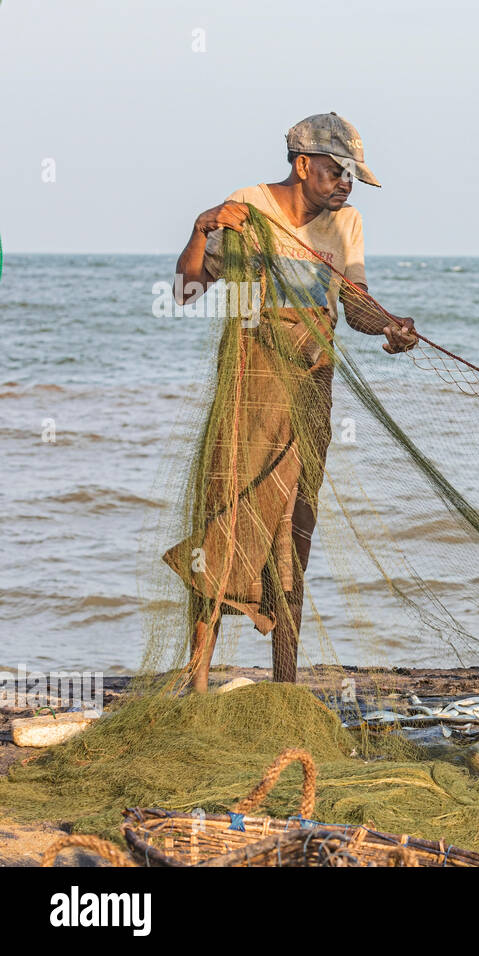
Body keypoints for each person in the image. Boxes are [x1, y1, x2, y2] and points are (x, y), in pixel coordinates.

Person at [165, 112, 418, 691]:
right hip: (249, 385)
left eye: (352, 174)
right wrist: (202, 227)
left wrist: (390, 327)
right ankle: (198, 674)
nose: (346, 184)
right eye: (336, 171)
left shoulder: (345, 224)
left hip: (311, 387)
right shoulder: (247, 207)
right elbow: (186, 290)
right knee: (224, 509)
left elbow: (354, 306)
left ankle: (284, 683)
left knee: (293, 524)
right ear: (303, 166)